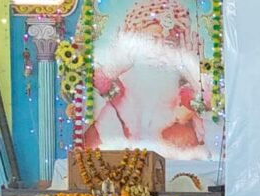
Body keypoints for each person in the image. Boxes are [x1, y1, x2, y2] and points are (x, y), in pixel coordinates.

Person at [84, 0, 213, 159]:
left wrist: (193, 71)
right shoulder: (115, 84)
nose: (159, 51)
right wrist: (113, 69)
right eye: (152, 40)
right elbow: (91, 95)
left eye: (169, 44)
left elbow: (210, 107)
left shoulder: (183, 92)